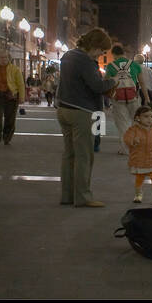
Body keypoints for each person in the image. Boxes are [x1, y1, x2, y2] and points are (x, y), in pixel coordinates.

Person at [57, 27, 117, 207]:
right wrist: (113, 81)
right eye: (101, 50)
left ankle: (67, 195)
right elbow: (97, 86)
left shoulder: (67, 56)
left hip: (64, 109)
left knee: (69, 154)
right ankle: (83, 196)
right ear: (94, 45)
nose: (101, 55)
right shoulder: (85, 60)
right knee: (84, 155)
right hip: (82, 111)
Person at [104, 45, 146, 154]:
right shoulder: (135, 65)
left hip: (118, 98)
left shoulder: (110, 66)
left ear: (114, 55)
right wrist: (147, 99)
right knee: (136, 121)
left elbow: (106, 83)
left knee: (122, 123)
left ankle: (125, 148)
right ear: (124, 53)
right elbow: (142, 83)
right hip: (133, 97)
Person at [123, 105, 152, 204]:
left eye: (151, 116)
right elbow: (126, 138)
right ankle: (138, 194)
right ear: (138, 118)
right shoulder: (133, 130)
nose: (149, 119)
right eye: (146, 116)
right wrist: (133, 141)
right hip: (139, 159)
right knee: (140, 177)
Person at [0, 51, 25, 145]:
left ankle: (7, 137)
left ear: (9, 58)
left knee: (10, 118)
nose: (3, 59)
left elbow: (20, 84)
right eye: (1, 57)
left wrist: (21, 97)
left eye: (5, 57)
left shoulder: (15, 69)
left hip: (10, 95)